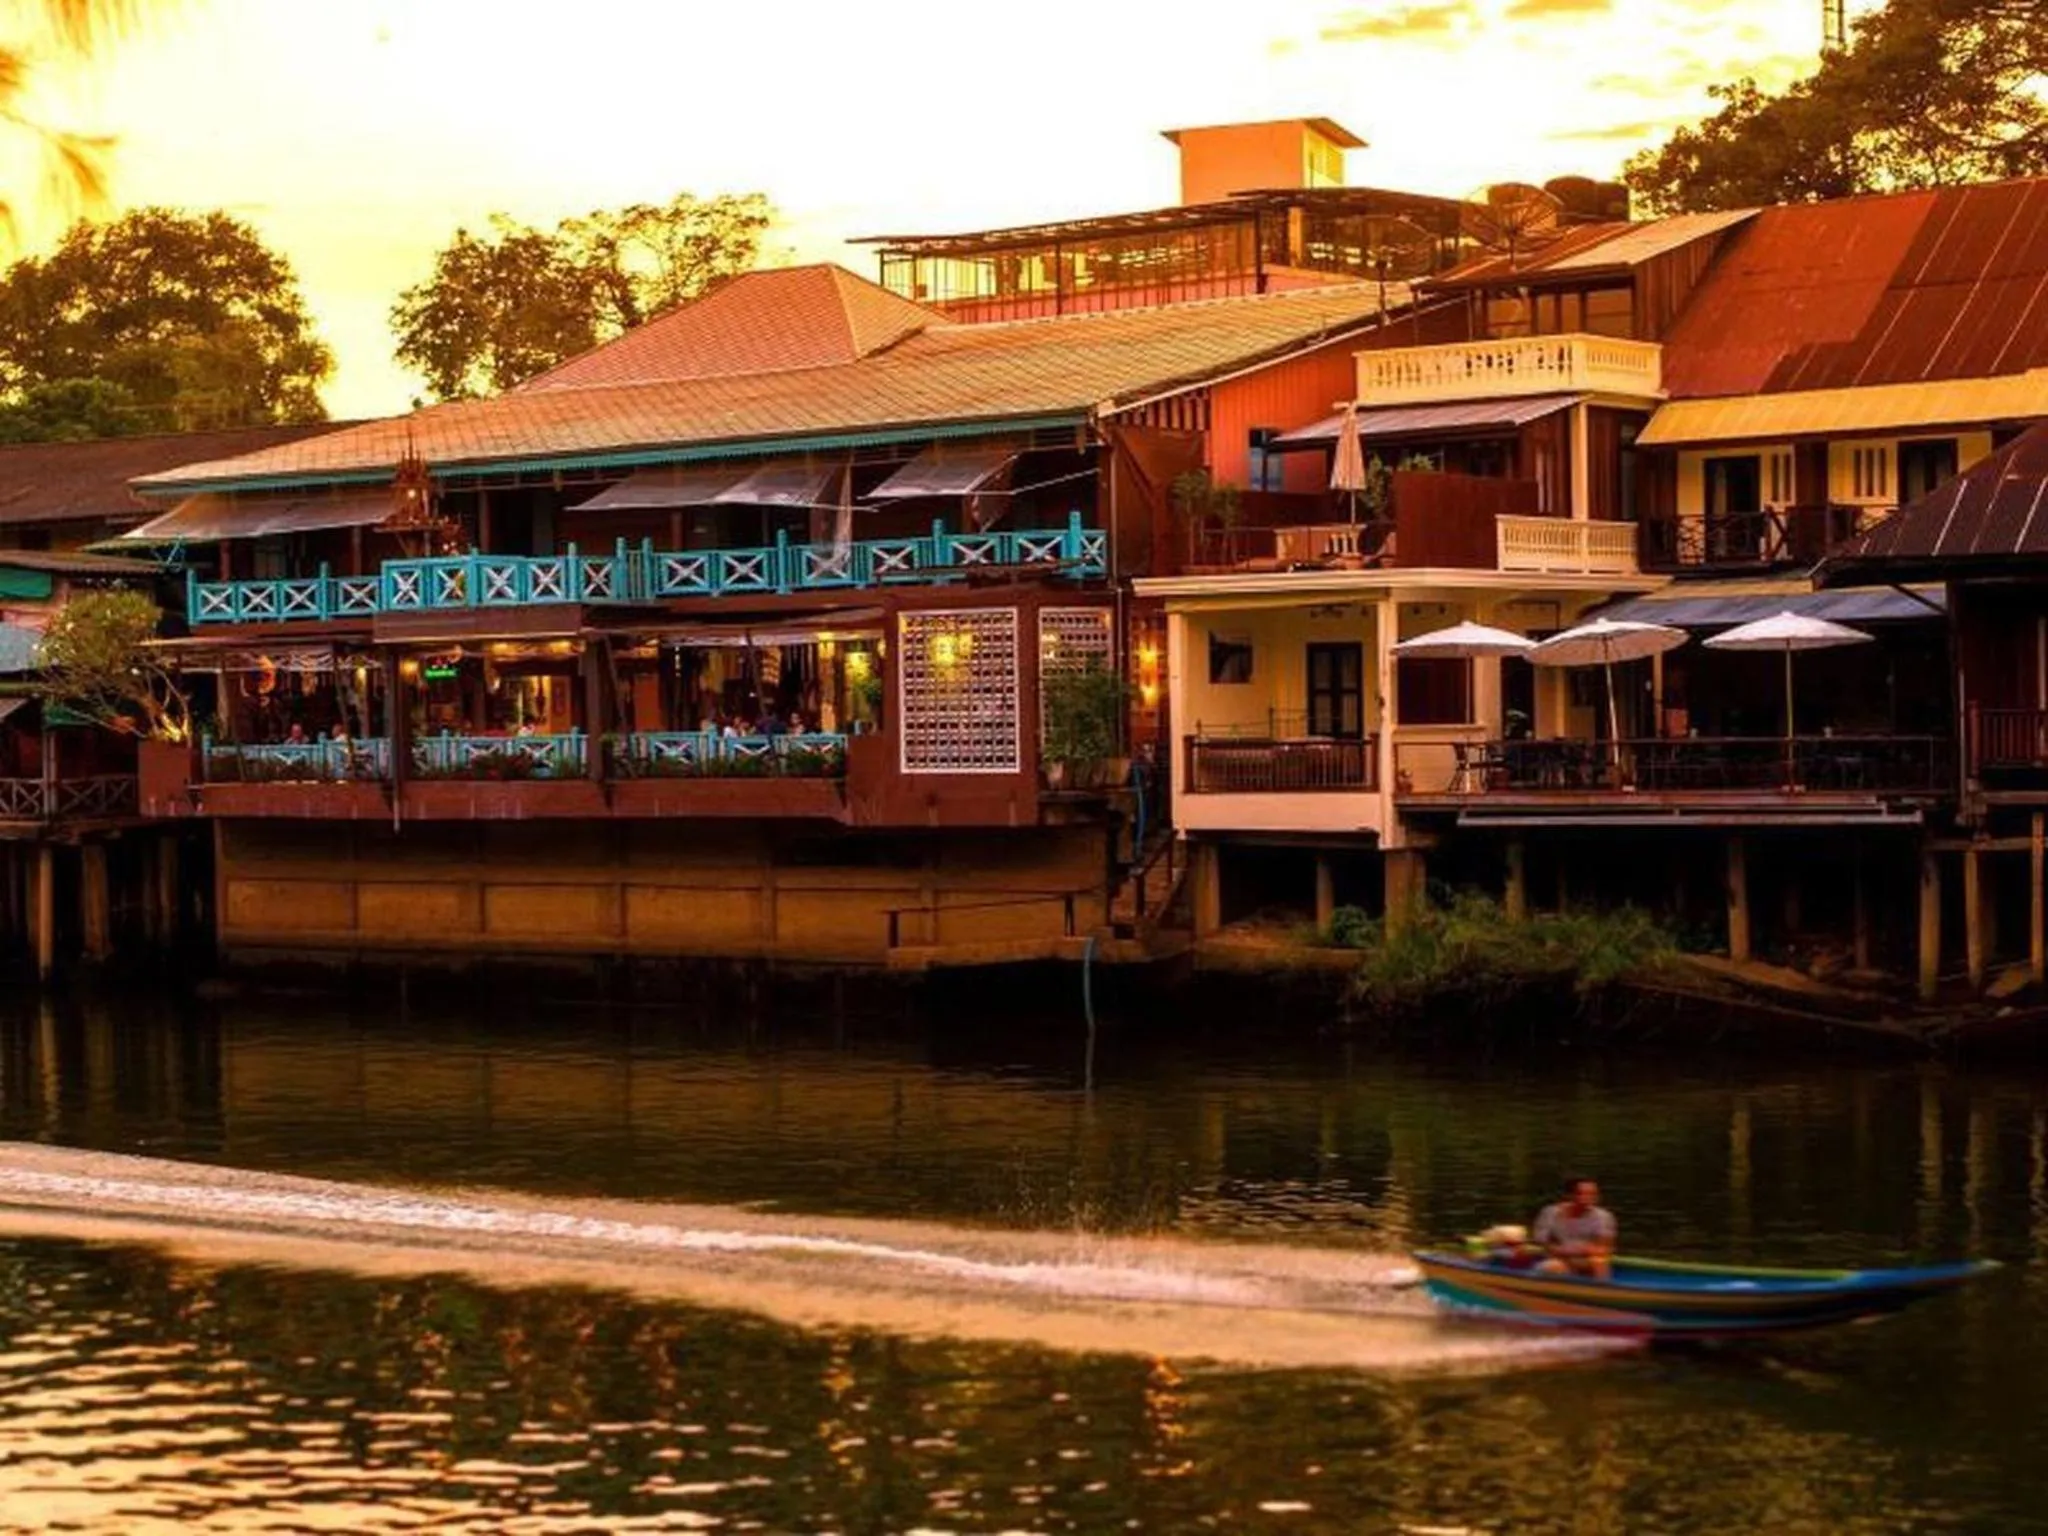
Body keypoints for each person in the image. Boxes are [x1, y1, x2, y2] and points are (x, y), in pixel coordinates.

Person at [1532, 1177, 1616, 1279]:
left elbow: (1604, 1249)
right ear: (1570, 1195)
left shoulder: (1603, 1217)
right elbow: (1544, 1244)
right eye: (1582, 1194)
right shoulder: (1550, 1213)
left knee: (1599, 1262)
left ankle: (1602, 1291)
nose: (1589, 1198)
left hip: (1587, 1262)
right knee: (1552, 1267)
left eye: (1593, 1194)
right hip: (1559, 1260)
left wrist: (1575, 1252)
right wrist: (1581, 1249)